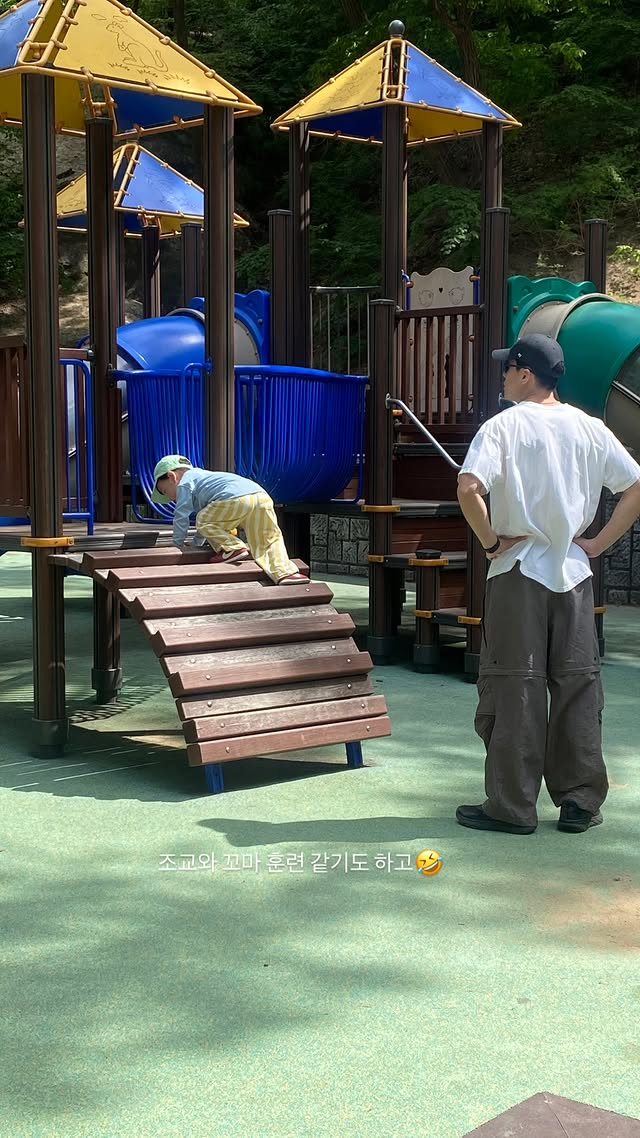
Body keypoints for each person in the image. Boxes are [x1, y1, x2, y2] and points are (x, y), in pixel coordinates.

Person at [455, 333, 640, 836]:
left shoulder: (502, 427)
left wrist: (490, 542)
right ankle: (579, 801)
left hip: (517, 570)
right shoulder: (590, 428)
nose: (502, 377)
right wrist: (597, 544)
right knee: (578, 684)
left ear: (525, 374)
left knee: (515, 684)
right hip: (573, 574)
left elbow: (469, 488)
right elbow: (634, 486)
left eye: (507, 369)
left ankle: (511, 807)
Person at [151, 455, 309, 585]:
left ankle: (232, 548)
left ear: (172, 477)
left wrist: (177, 544)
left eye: (165, 491)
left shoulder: (184, 484)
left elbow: (181, 517)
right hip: (260, 496)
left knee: (203, 519)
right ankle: (285, 573)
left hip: (235, 499)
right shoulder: (204, 479)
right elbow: (207, 526)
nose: (169, 499)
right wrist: (195, 545)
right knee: (268, 538)